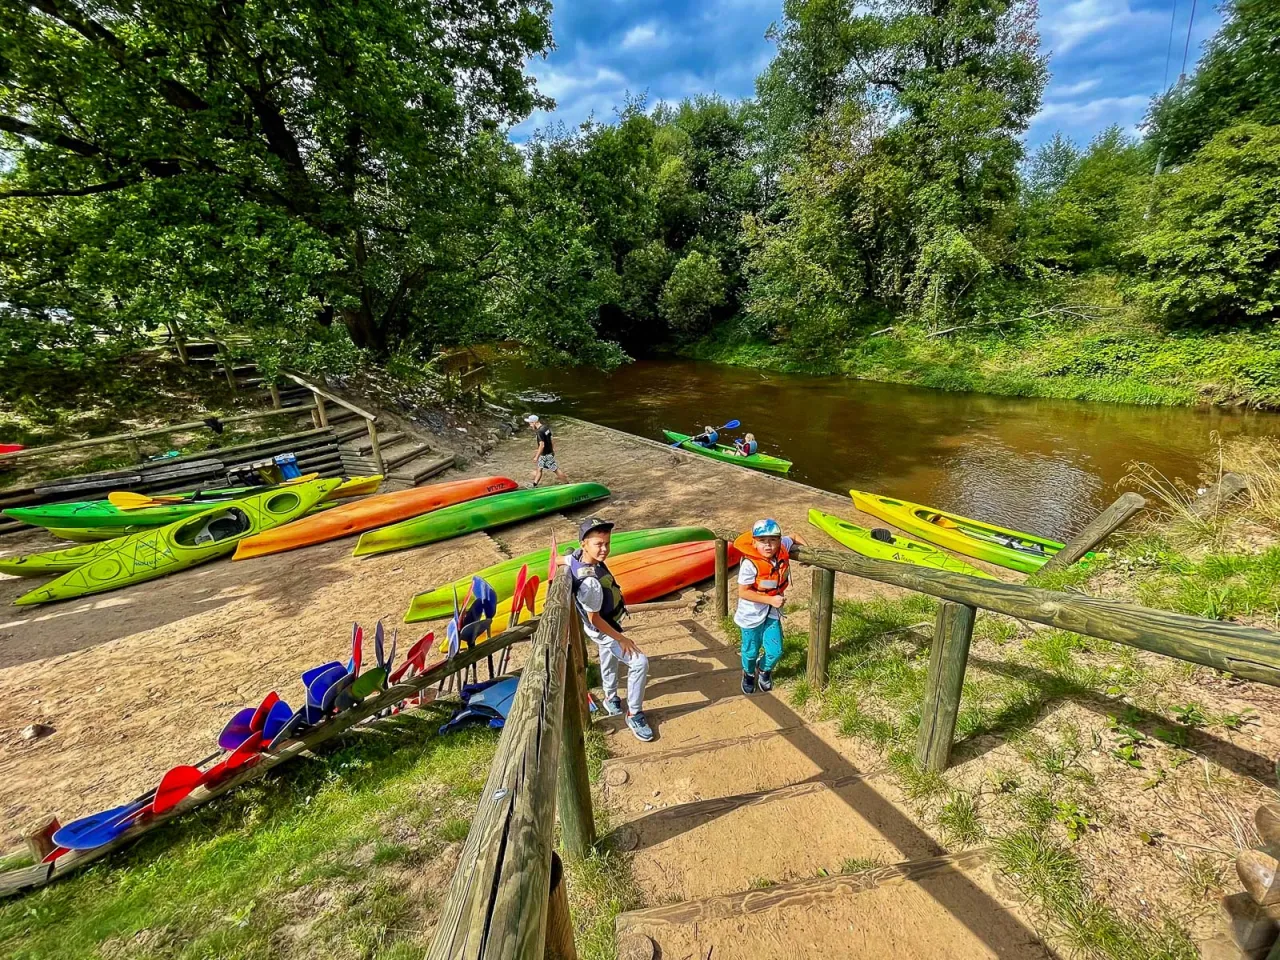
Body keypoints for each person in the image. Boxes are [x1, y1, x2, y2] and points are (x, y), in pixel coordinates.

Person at [564, 517, 653, 741]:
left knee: (608, 658)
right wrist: (622, 639)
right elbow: (595, 619)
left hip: (604, 625)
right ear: (584, 544)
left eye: (607, 543)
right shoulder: (590, 582)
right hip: (603, 629)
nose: (604, 549)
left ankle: (611, 697)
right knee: (639, 662)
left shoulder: (577, 557)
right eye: (599, 544)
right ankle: (634, 713)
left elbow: (561, 559)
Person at [733, 518, 804, 695]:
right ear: (754, 543)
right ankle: (748, 673)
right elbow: (743, 592)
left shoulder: (782, 548)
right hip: (751, 615)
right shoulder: (750, 564)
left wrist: (810, 556)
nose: (768, 546)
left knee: (776, 650)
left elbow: (795, 536)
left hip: (772, 613)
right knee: (750, 651)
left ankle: (764, 669)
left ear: (779, 541)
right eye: (762, 541)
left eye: (773, 540)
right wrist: (771, 600)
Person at [524, 413, 568, 487]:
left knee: (555, 470)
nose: (530, 425)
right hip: (547, 453)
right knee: (539, 468)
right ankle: (534, 484)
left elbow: (542, 445)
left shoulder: (539, 432)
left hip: (546, 455)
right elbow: (551, 439)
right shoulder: (545, 428)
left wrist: (536, 457)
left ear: (534, 422)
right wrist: (552, 450)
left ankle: (568, 484)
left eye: (530, 423)